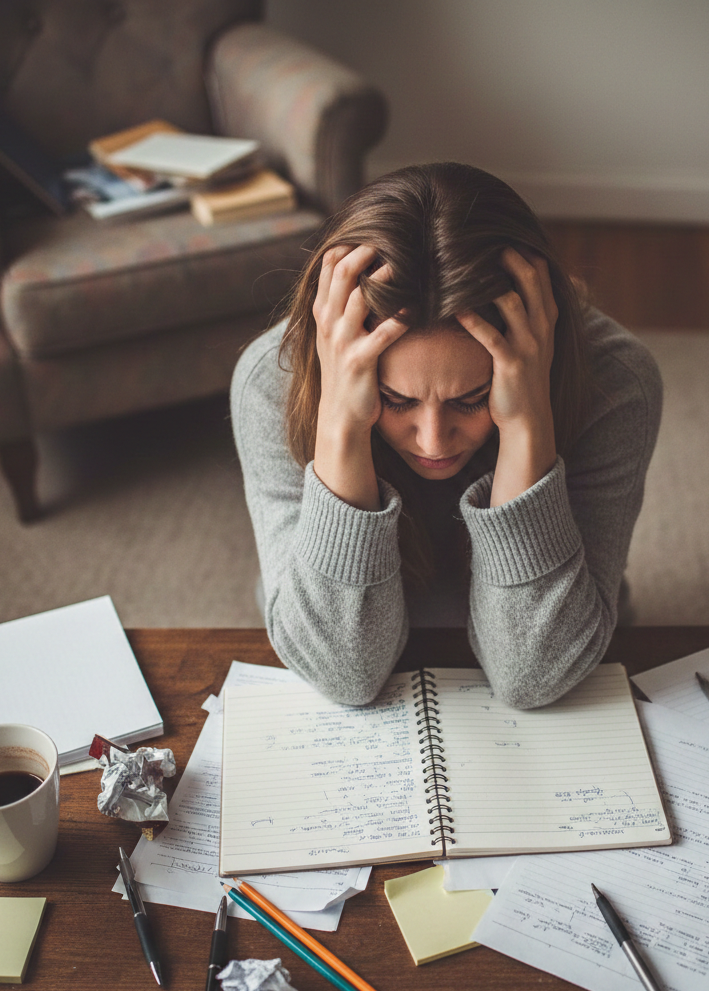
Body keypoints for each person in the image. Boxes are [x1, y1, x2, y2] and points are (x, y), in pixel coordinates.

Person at [231, 162, 661, 709]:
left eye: (470, 399)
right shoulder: (272, 380)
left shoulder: (617, 383)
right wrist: (340, 424)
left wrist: (528, 423)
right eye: (396, 401)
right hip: (343, 637)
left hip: (561, 637)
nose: (433, 442)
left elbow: (534, 676)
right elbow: (343, 672)